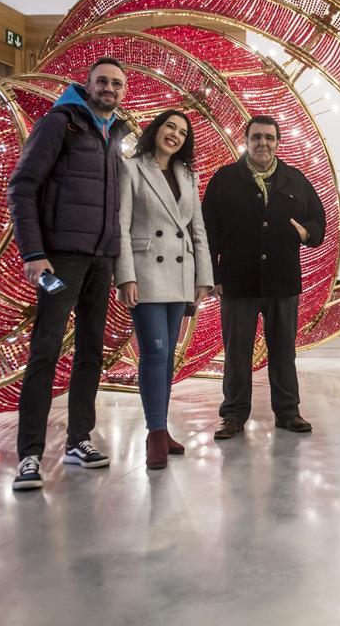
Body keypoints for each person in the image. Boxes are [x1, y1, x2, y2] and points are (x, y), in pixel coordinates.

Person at [7, 57, 131, 491]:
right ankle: (29, 456)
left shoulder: (115, 135)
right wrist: (34, 253)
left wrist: (117, 258)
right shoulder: (60, 123)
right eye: (102, 81)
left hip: (100, 261)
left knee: (91, 352)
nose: (109, 88)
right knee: (45, 351)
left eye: (116, 83)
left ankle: (79, 439)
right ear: (87, 84)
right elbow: (22, 187)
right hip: (59, 260)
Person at [201, 115, 326, 439]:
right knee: (237, 352)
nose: (263, 143)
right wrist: (212, 274)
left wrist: (308, 233)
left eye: (269, 138)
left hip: (282, 282)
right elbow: (207, 231)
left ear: (278, 142)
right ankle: (233, 415)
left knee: (283, 350)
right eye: (257, 137)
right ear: (246, 140)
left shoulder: (295, 180)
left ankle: (288, 412)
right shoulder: (225, 179)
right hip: (237, 281)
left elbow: (318, 220)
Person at [115, 110, 213, 469]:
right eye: (170, 127)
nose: (175, 135)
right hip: (146, 272)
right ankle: (155, 432)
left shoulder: (188, 175)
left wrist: (203, 277)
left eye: (183, 132)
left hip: (181, 274)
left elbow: (197, 230)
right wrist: (125, 276)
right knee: (154, 353)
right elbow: (121, 226)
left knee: (168, 355)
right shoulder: (132, 168)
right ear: (156, 130)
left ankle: (162, 427)